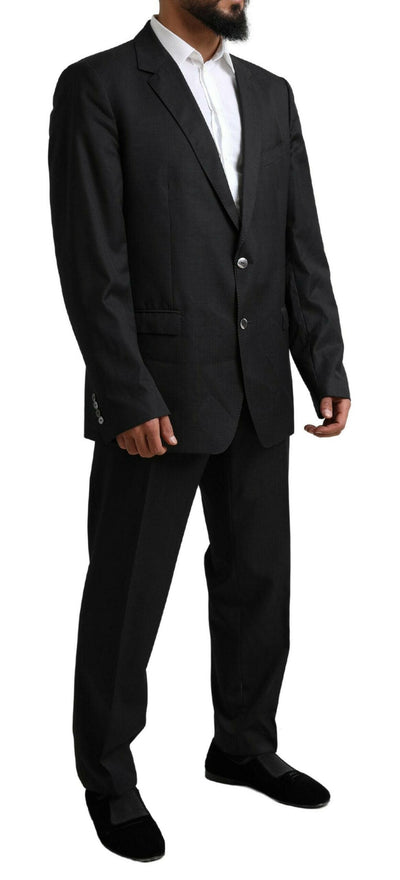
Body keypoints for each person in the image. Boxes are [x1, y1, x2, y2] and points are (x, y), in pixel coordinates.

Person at [48, 0, 351, 863]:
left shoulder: (272, 93)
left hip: (258, 389)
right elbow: (91, 258)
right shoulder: (100, 86)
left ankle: (243, 746)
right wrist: (125, 394)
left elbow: (297, 240)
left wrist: (324, 364)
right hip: (156, 399)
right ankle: (109, 780)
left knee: (260, 584)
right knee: (128, 594)